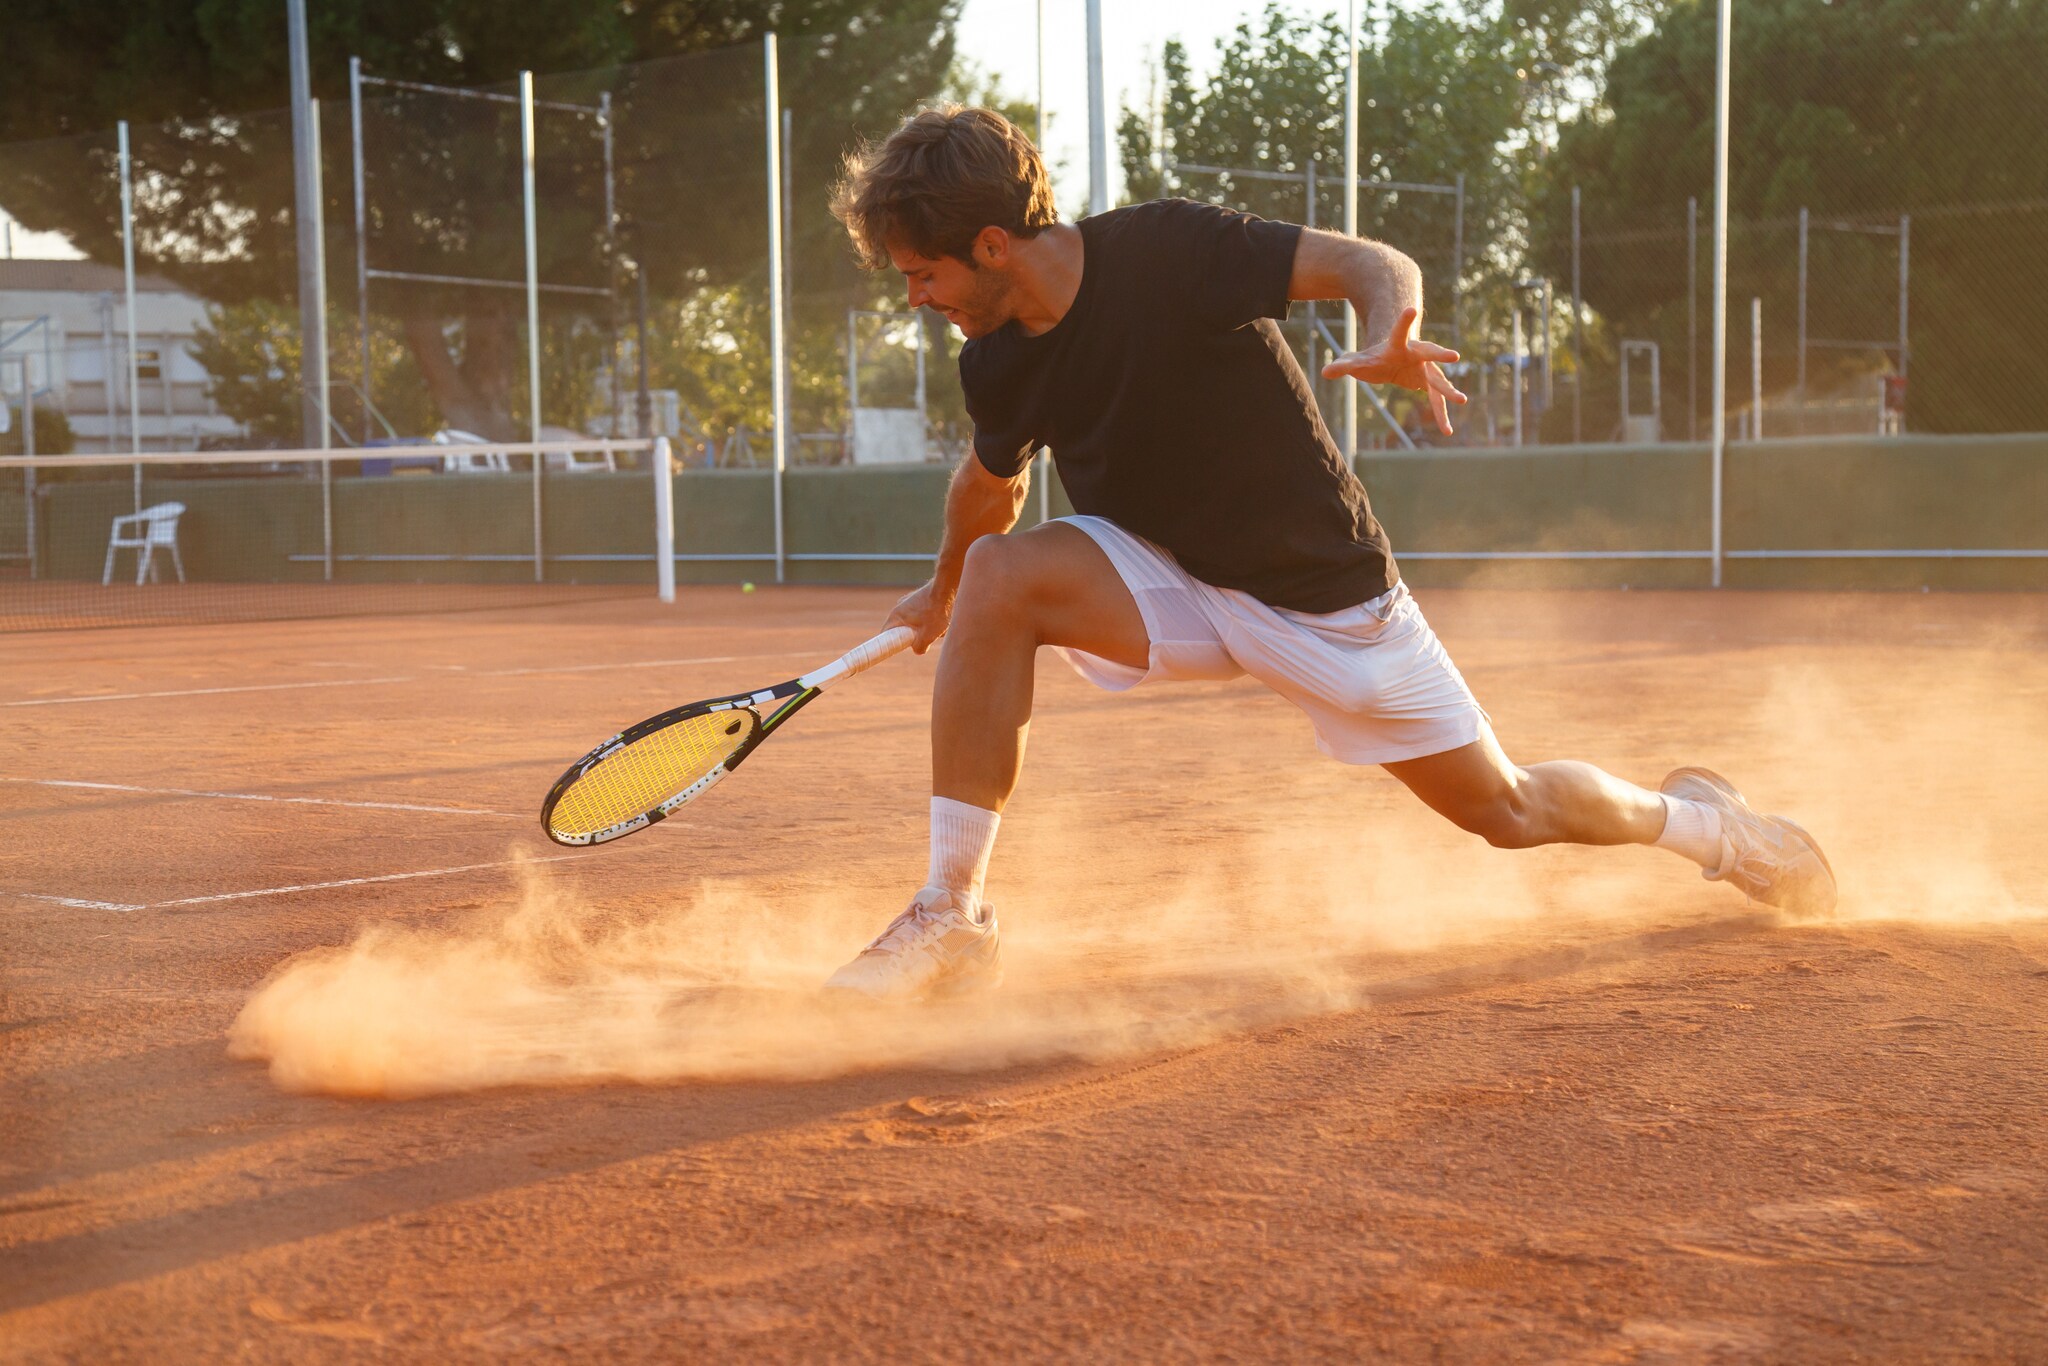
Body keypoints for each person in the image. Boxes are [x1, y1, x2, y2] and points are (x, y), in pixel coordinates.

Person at [821, 106, 1835, 1001]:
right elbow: (989, 484)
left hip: (1322, 599)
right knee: (1005, 573)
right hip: (1168, 576)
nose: (915, 297)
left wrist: (1390, 326)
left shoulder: (1169, 250)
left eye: (923, 274)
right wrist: (945, 588)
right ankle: (948, 915)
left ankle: (1710, 827)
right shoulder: (993, 358)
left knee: (1507, 808)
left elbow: (1365, 261)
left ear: (993, 243)